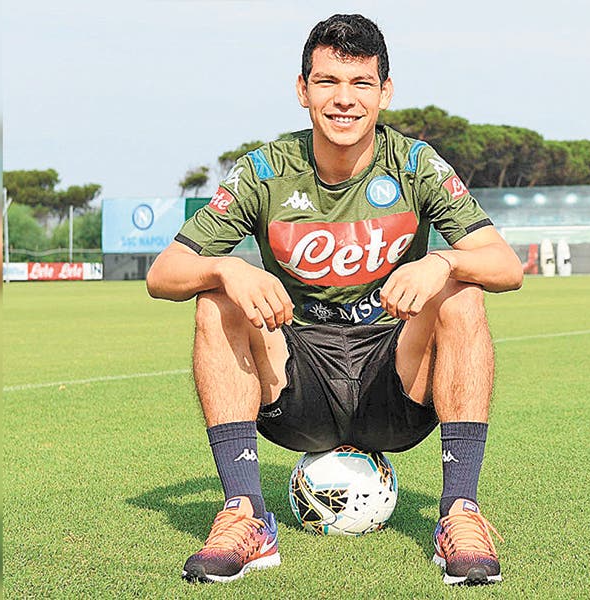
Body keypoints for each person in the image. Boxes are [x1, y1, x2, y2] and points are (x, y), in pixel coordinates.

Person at [146, 13, 523, 586]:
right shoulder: (265, 171)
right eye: (327, 81)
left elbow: (505, 266)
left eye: (360, 83)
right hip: (298, 388)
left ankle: (460, 514)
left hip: (393, 384)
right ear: (303, 90)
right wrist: (226, 266)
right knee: (216, 298)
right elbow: (163, 274)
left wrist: (442, 261)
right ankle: (246, 516)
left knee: (462, 293)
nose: (344, 99)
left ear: (384, 92)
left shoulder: (415, 164)